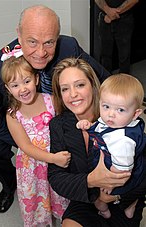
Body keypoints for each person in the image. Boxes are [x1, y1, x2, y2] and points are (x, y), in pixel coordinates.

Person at [0, 5, 110, 213]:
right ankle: (9, 184)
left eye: (49, 42)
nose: (41, 53)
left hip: (55, 115)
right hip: (17, 121)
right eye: (32, 42)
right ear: (19, 36)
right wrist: (29, 144)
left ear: (57, 38)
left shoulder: (68, 47)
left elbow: (104, 79)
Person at [48, 57, 146, 227]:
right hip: (86, 199)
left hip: (123, 199)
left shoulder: (120, 119)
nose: (73, 94)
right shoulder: (58, 125)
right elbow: (56, 178)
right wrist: (91, 180)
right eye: (65, 89)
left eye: (80, 85)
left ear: (93, 86)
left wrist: (116, 196)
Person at [1, 54, 70, 226]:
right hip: (32, 167)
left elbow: (65, 126)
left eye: (26, 81)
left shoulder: (52, 101)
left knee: (58, 195)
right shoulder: (12, 115)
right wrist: (53, 158)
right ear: (8, 89)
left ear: (36, 79)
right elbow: (24, 146)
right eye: (15, 85)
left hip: (56, 161)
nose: (22, 89)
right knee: (39, 201)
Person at [76, 74, 146, 219]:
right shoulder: (113, 121)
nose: (110, 114)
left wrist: (110, 183)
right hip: (112, 164)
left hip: (120, 174)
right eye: (106, 106)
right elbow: (101, 126)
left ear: (135, 114)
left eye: (120, 110)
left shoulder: (123, 141)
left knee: (101, 199)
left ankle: (130, 203)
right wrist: (89, 126)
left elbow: (122, 171)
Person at [95, 0, 139, 73]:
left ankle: (123, 82)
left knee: (124, 56)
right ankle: (106, 81)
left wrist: (113, 14)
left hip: (124, 19)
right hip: (104, 18)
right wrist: (108, 10)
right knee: (105, 54)